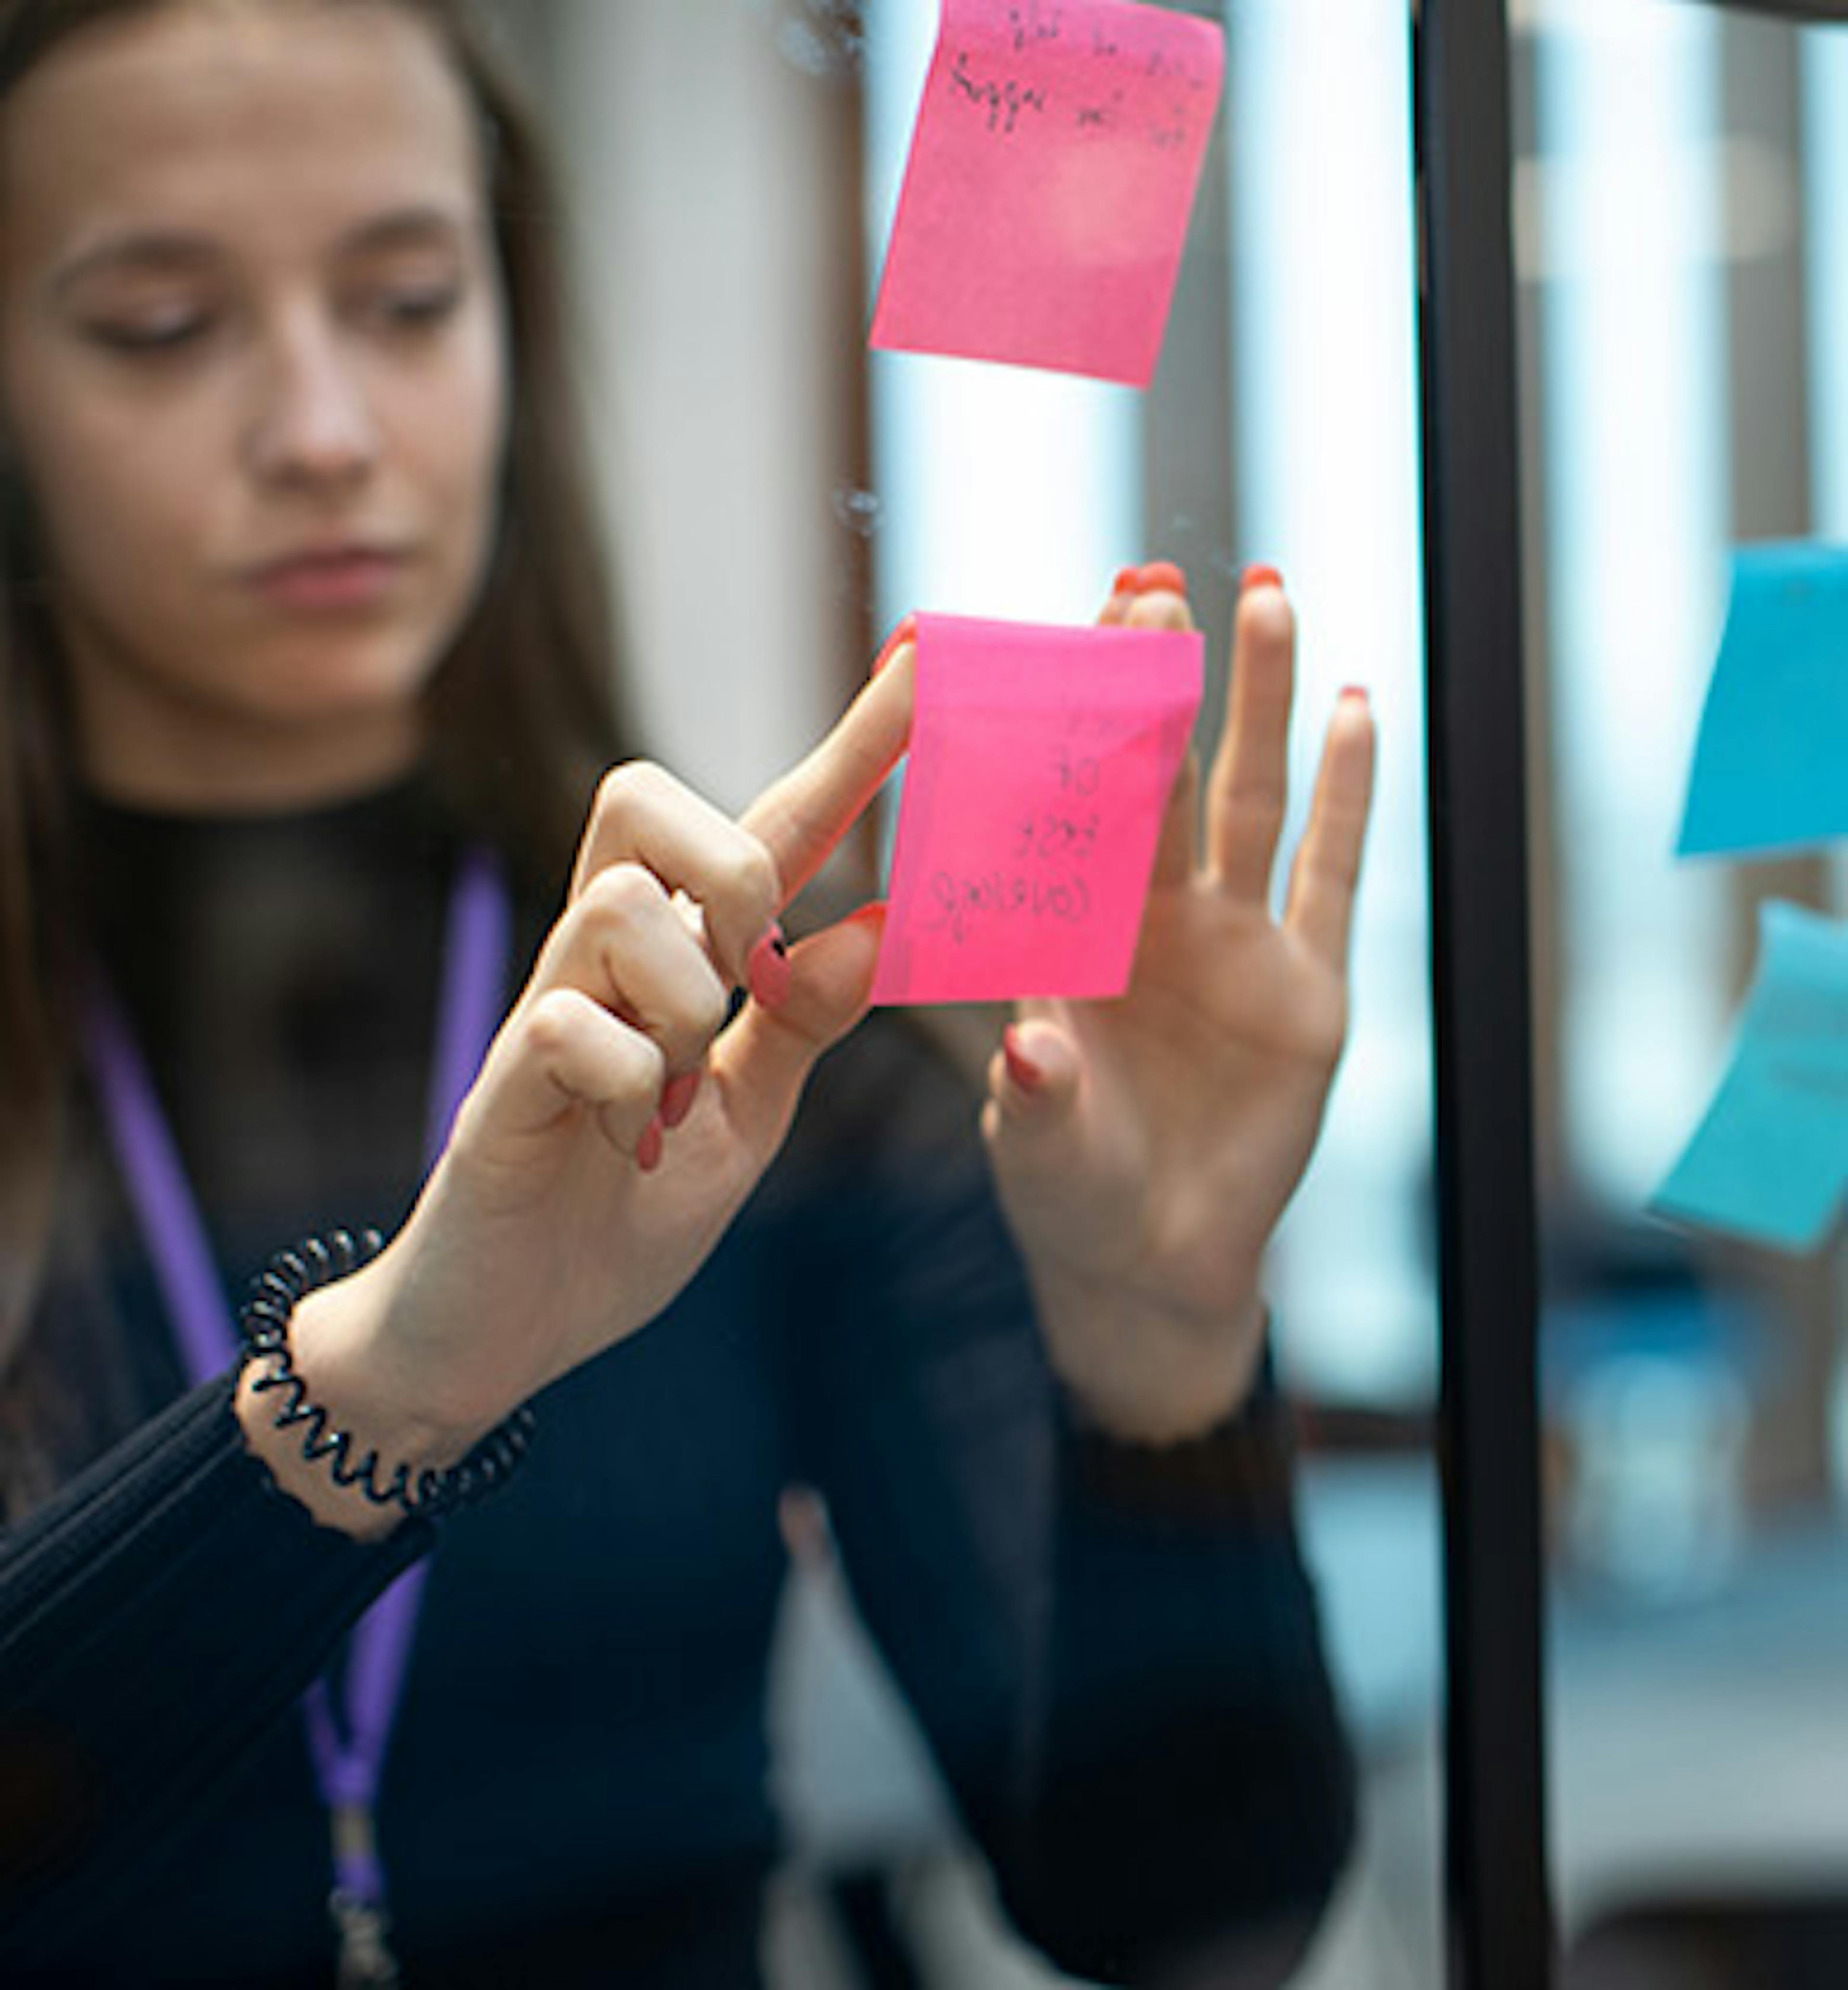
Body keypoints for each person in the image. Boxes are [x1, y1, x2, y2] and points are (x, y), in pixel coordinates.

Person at [0, 2, 1377, 1985]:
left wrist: (1163, 1360)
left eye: (404, 299)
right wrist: (373, 1395)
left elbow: (1185, 1908)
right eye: (158, 325)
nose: (322, 427)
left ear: (509, 329)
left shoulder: (752, 1037)